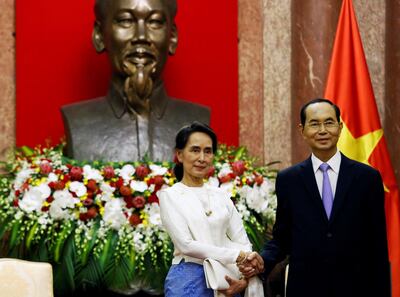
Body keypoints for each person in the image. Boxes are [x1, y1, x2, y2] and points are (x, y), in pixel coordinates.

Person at [241, 98, 391, 297]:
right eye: (314, 123)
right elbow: (282, 238)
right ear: (302, 130)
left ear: (340, 126)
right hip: (305, 287)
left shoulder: (367, 178)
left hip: (356, 287)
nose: (322, 130)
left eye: (329, 122)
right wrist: (260, 260)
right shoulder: (289, 179)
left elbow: (377, 246)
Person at [61, 0, 210, 162]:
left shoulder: (198, 120)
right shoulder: (78, 121)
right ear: (99, 36)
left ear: (172, 37)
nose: (141, 36)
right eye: (125, 21)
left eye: (154, 22)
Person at [157, 122, 264, 297]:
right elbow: (186, 245)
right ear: (179, 155)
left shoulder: (221, 195)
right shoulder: (170, 196)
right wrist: (237, 256)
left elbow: (242, 240)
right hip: (189, 279)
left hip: (229, 280)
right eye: (195, 150)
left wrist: (245, 274)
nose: (202, 158)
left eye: (208, 151)